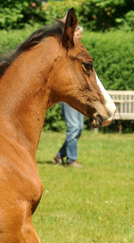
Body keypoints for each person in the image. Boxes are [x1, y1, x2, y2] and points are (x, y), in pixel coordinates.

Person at [53, 25, 85, 168]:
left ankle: (60, 155)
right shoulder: (66, 52)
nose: (77, 37)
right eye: (75, 35)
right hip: (68, 95)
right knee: (73, 128)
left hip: (80, 95)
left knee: (79, 128)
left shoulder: (80, 52)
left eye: (78, 35)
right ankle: (71, 160)